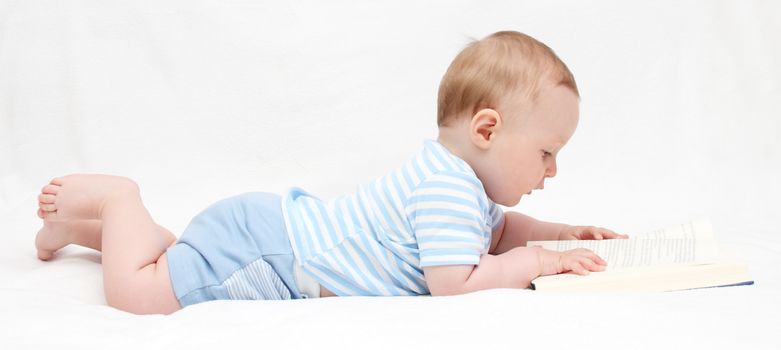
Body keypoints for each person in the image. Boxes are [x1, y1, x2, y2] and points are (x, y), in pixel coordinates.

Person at [34, 30, 627, 315]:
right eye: (547, 152)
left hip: (267, 235)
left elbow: (498, 232)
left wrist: (562, 234)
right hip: (270, 256)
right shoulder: (448, 188)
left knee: (173, 262)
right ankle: (117, 203)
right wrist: (542, 262)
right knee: (137, 293)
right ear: (488, 130)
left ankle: (80, 230)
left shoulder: (459, 183)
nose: (552, 170)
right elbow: (456, 284)